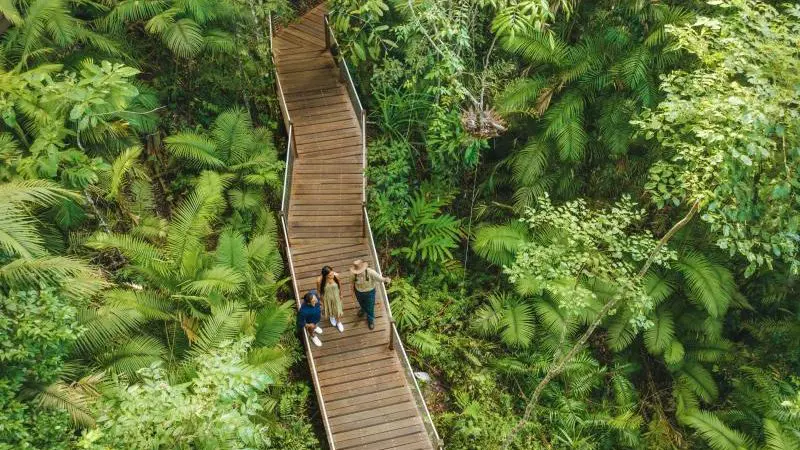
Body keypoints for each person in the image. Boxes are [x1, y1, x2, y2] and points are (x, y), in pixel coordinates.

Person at [350, 259, 391, 330]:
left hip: (369, 292)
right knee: (361, 303)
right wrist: (352, 293)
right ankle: (363, 310)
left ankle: (370, 320)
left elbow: (380, 278)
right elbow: (352, 283)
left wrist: (386, 279)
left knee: (370, 306)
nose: (359, 273)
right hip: (359, 291)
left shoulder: (370, 272)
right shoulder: (353, 274)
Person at [317, 265, 344, 332]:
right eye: (329, 275)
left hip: (336, 296)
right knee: (329, 308)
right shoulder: (319, 281)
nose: (332, 275)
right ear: (325, 275)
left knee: (337, 309)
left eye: (332, 273)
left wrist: (341, 294)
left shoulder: (336, 276)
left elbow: (340, 285)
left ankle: (338, 322)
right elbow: (318, 291)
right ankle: (331, 317)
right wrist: (320, 300)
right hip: (326, 297)